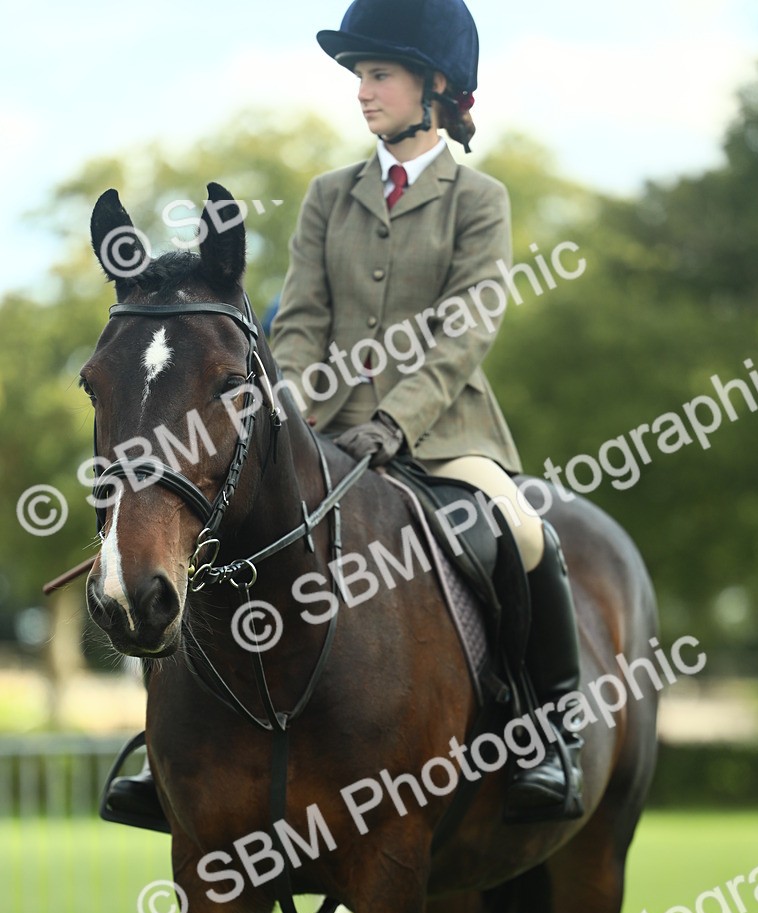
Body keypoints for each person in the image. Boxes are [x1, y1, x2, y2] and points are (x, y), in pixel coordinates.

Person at [105, 0, 583, 829]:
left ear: (434, 87)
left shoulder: (480, 199)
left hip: (444, 436)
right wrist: (292, 411)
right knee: (220, 533)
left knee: (524, 533)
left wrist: (394, 423)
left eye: (378, 75)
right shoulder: (330, 197)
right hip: (319, 430)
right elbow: (300, 323)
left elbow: (468, 327)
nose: (362, 92)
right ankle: (169, 748)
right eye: (359, 76)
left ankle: (547, 733)